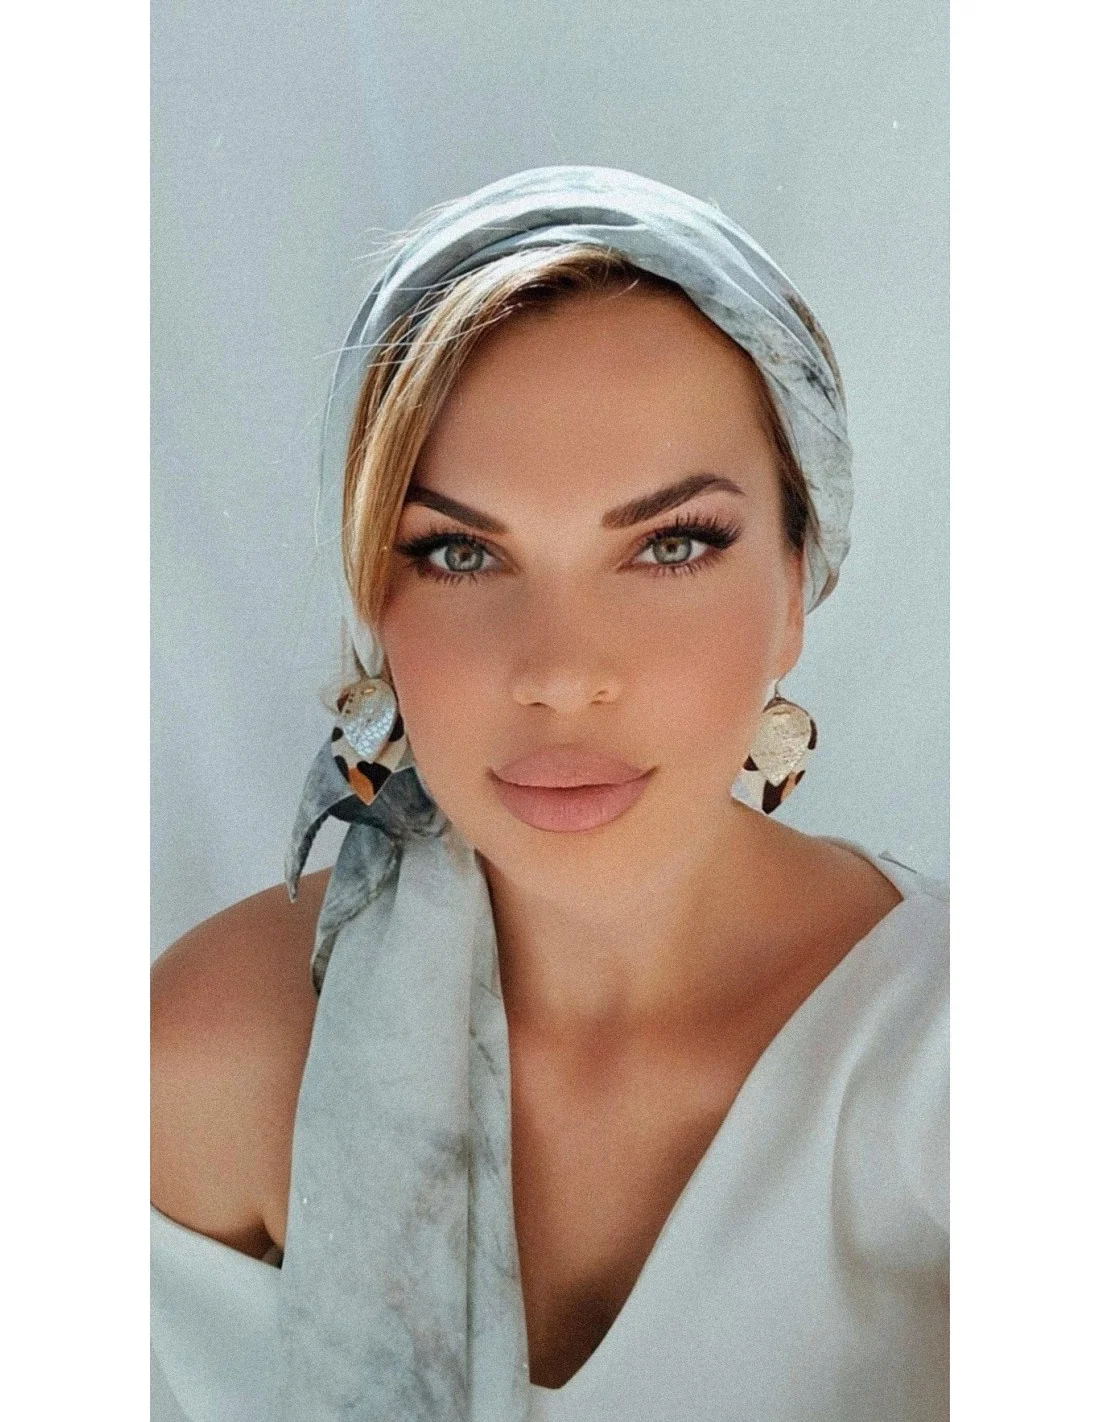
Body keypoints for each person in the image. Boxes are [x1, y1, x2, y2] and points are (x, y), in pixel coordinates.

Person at [151, 167, 947, 1422]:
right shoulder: (208, 1060)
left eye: (669, 545)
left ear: (798, 582)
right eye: (459, 553)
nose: (562, 673)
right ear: (372, 602)